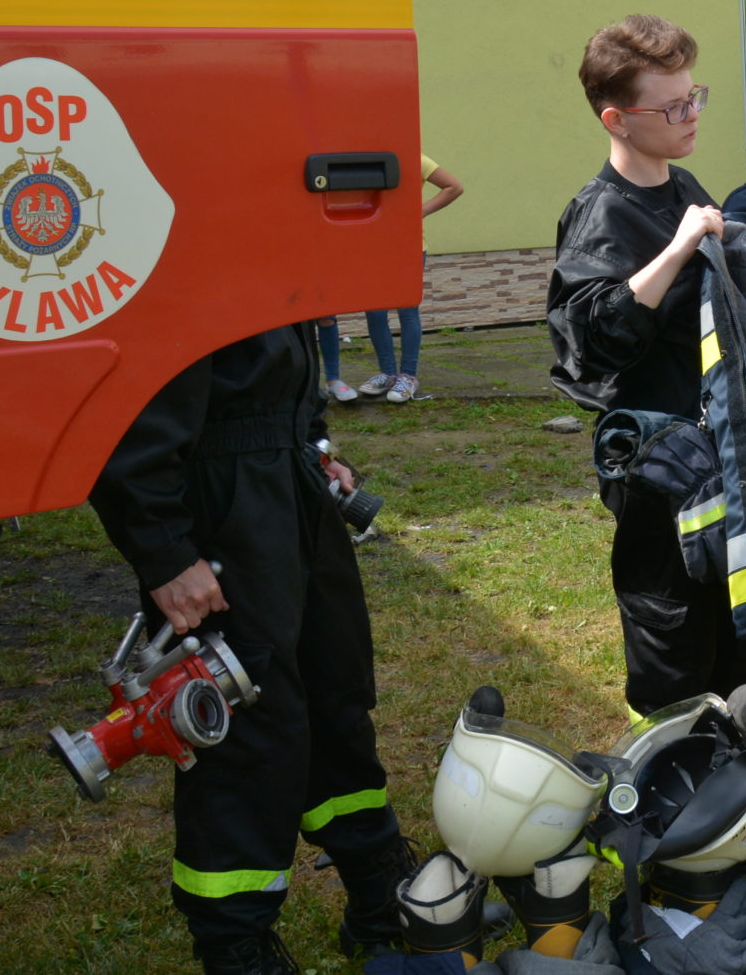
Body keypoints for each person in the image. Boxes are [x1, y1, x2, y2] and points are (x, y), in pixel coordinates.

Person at [89, 322, 413, 975]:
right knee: (240, 728)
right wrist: (163, 549)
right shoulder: (175, 260)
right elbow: (120, 405)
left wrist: (313, 443)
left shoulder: (261, 260)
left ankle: (380, 891)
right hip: (219, 500)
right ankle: (234, 945)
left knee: (335, 693)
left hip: (289, 481)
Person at [545, 15, 746, 713]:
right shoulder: (599, 216)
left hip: (722, 461)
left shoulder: (685, 187)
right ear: (616, 120)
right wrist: (676, 250)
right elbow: (589, 343)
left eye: (694, 97)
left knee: (740, 647)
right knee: (674, 667)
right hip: (659, 481)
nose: (691, 115)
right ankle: (671, 774)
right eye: (672, 107)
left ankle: (735, 774)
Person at [349, 155, 465, 404]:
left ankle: (408, 376)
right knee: (374, 312)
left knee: (407, 310)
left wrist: (421, 210)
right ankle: (388, 374)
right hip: (371, 246)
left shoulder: (415, 158)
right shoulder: (366, 158)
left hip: (408, 247)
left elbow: (454, 187)